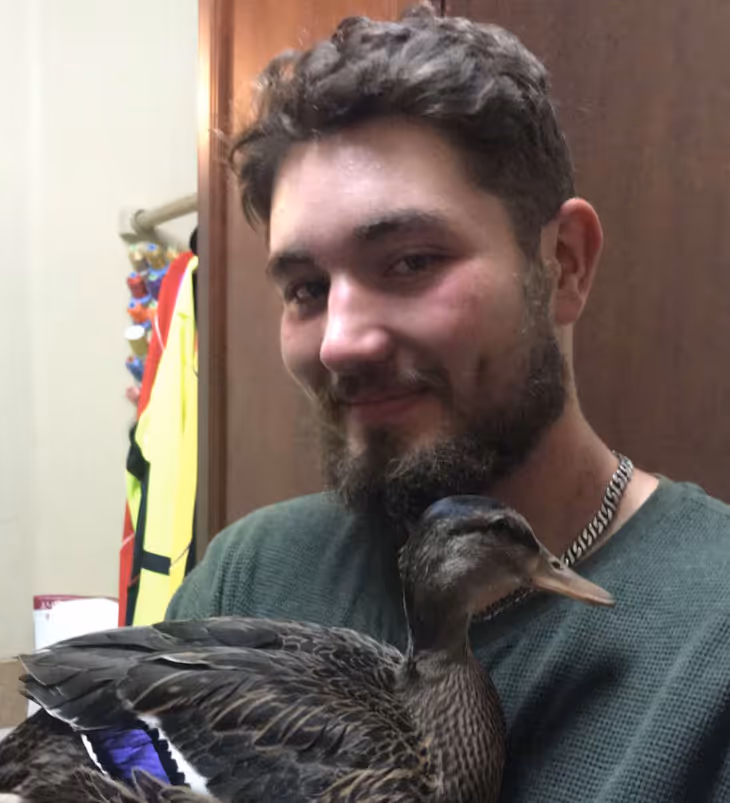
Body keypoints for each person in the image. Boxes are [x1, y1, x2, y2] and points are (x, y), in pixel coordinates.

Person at [168, 4, 730, 800]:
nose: (340, 342)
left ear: (564, 265)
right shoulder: (248, 577)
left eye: (409, 261)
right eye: (307, 289)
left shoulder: (713, 635)